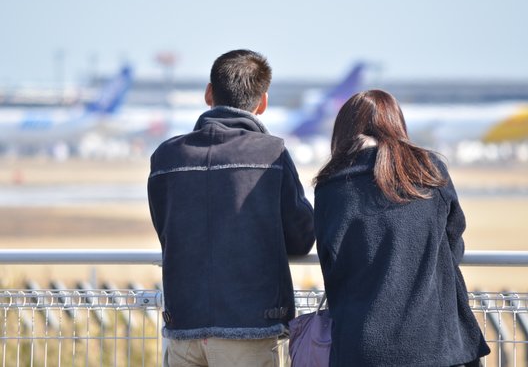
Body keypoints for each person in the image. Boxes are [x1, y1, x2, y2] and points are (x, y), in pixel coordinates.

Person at [148, 49, 315, 367]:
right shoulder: (271, 153)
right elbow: (301, 238)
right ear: (262, 102)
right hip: (249, 325)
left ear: (208, 93)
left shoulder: (166, 157)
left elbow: (166, 230)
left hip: (183, 323)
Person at [313, 90, 490, 367]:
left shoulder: (331, 186)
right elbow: (453, 240)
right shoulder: (429, 171)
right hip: (437, 345)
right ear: (396, 123)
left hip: (361, 347)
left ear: (343, 130)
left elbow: (330, 263)